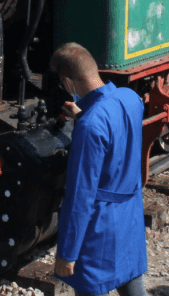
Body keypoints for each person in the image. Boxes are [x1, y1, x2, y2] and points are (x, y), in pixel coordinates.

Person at [50, 42, 146, 296]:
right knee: (132, 284)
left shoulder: (90, 126)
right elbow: (115, 135)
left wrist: (67, 253)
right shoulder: (130, 98)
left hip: (101, 226)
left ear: (68, 82)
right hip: (130, 214)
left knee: (91, 288)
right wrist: (84, 115)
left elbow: (80, 196)